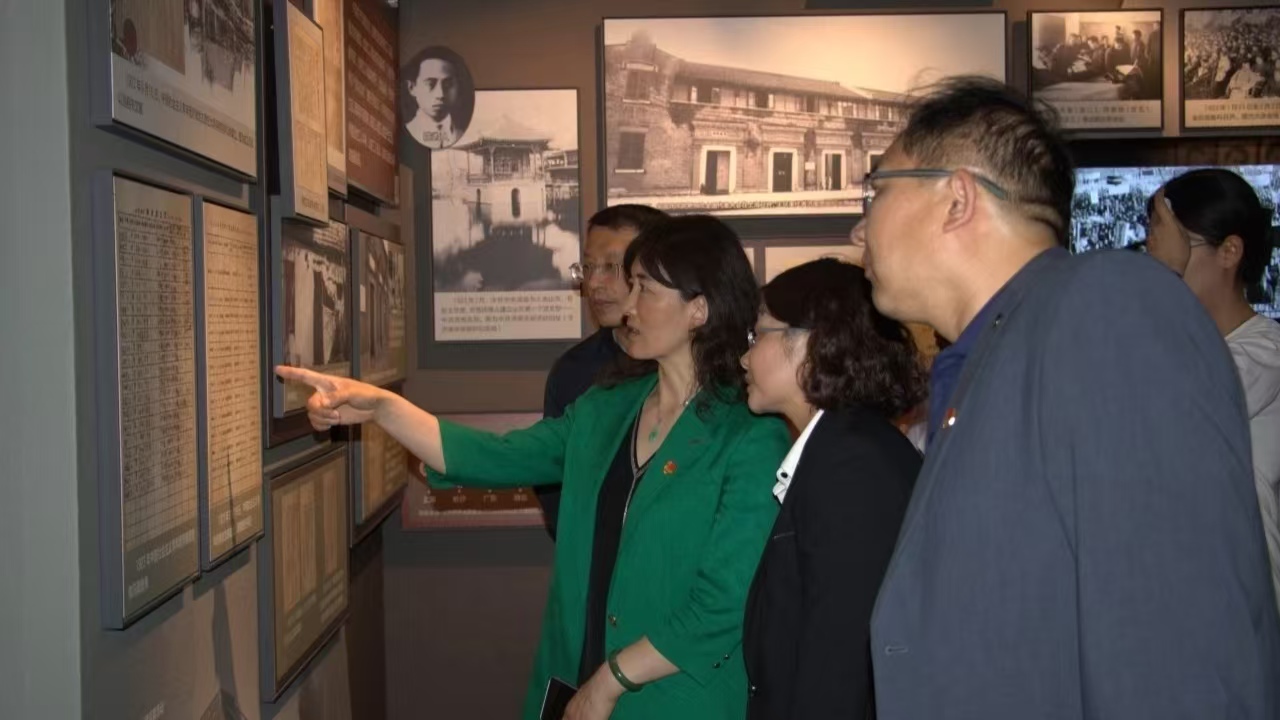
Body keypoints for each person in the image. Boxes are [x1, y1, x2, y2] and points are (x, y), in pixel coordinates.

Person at [851, 76, 1280, 718]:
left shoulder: (1109, 307)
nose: (859, 229)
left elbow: (1178, 653)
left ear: (957, 198)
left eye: (877, 190)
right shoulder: (992, 361)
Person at [278, 215, 790, 720]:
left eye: (645, 289)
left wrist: (611, 680)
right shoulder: (605, 410)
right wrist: (383, 408)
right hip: (576, 678)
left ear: (699, 309)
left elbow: (722, 605)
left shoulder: (748, 436)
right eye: (630, 285)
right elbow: (496, 456)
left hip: (674, 698)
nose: (628, 304)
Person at [738, 259, 925, 720]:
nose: (744, 358)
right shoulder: (841, 449)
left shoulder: (852, 466)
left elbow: (840, 663)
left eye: (757, 335)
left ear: (811, 344)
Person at [1144, 168, 1280, 615]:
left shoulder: (1265, 353)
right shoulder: (1177, 346)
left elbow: (1186, 397)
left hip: (1245, 615)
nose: (1156, 259)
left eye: (1176, 246)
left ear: (1230, 251)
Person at [537, 204, 668, 540]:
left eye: (611, 267)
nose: (593, 283)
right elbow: (553, 482)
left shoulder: (700, 365)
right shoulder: (573, 372)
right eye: (588, 267)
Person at [402, 46, 474, 150]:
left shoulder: (460, 135)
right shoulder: (407, 135)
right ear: (412, 88)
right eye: (430, 84)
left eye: (448, 84)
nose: (440, 94)